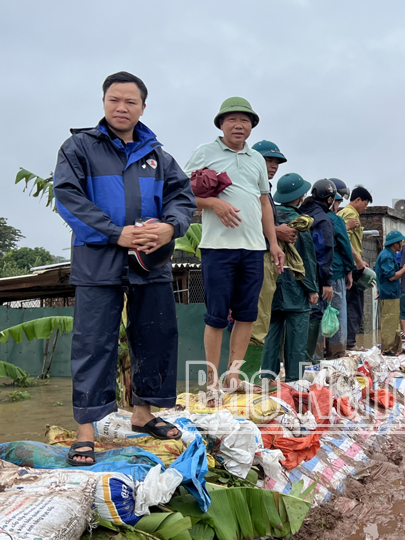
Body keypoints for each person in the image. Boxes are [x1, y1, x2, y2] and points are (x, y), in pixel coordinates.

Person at [54, 72, 196, 465]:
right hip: (98, 257)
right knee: (93, 341)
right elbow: (67, 197)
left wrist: (170, 226)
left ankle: (144, 413)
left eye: (130, 102)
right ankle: (86, 430)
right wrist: (115, 234)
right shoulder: (79, 147)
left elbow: (182, 198)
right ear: (103, 102)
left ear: (143, 108)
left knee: (156, 335)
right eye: (114, 100)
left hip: (151, 261)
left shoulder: (159, 156)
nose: (122, 107)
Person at [184, 97, 285, 390]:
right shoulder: (205, 153)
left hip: (254, 248)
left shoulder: (256, 159)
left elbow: (264, 202)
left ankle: (234, 377)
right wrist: (213, 203)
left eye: (245, 120)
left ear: (251, 126)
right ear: (221, 124)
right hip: (218, 247)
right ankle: (212, 382)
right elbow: (181, 193)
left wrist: (273, 243)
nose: (238, 125)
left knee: (246, 315)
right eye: (232, 120)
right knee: (216, 316)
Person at [260, 173, 319, 383]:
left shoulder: (269, 218)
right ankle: (294, 383)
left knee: (271, 338)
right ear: (301, 196)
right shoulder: (299, 223)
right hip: (296, 288)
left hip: (271, 284)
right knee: (296, 341)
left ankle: (266, 383)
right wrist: (312, 289)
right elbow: (306, 260)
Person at [247, 140, 299, 373]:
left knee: (263, 317)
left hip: (267, 258)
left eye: (276, 161)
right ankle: (248, 376)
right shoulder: (247, 187)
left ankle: (252, 376)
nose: (274, 165)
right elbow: (244, 222)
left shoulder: (265, 190)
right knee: (254, 318)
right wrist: (277, 231)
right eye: (269, 160)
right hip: (254, 257)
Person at [299, 180, 338, 360]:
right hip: (314, 275)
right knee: (314, 313)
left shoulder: (300, 213)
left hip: (295, 272)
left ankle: (294, 358)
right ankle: (308, 357)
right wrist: (326, 282)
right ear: (329, 198)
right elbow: (324, 251)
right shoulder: (323, 220)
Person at [338, 186, 373, 349]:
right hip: (351, 266)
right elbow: (345, 240)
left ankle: (343, 341)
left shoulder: (341, 214)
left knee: (344, 304)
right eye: (365, 204)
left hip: (344, 266)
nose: (365, 209)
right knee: (354, 305)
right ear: (357, 200)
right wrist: (358, 261)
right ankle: (350, 342)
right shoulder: (351, 214)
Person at [324, 179, 355, 357]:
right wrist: (349, 270)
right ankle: (336, 351)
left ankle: (317, 351)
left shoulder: (307, 217)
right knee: (337, 313)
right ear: (333, 201)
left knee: (318, 315)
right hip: (335, 273)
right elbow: (345, 246)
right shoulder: (336, 221)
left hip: (314, 276)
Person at [375, 231, 405, 355]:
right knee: (389, 322)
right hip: (389, 293)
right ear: (395, 243)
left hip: (392, 292)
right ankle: (387, 348)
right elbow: (391, 276)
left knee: (395, 322)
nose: (401, 244)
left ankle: (397, 347)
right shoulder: (387, 256)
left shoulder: (389, 254)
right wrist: (404, 270)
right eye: (400, 242)